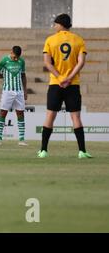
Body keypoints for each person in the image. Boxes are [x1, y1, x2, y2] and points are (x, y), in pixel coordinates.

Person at [38, 13, 92, 159]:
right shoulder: (78, 40)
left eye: (55, 24)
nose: (54, 26)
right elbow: (81, 62)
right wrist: (68, 78)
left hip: (56, 83)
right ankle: (82, 151)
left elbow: (47, 63)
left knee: (50, 115)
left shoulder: (50, 40)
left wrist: (60, 77)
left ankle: (43, 150)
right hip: (73, 84)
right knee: (76, 117)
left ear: (60, 24)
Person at [0, 46, 28, 146]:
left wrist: (25, 90)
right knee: (3, 113)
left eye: (18, 57)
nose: (16, 59)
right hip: (7, 91)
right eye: (14, 57)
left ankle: (21, 139)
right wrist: (5, 74)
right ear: (11, 52)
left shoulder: (21, 61)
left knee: (20, 113)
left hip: (19, 91)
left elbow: (23, 75)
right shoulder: (4, 60)